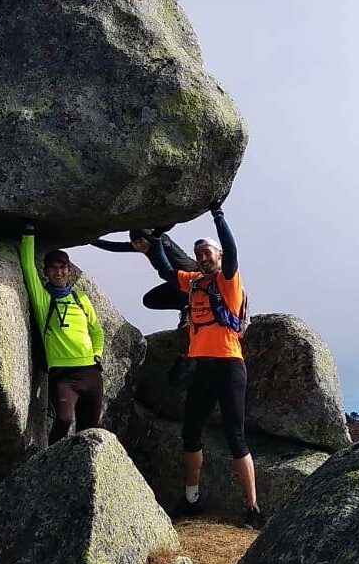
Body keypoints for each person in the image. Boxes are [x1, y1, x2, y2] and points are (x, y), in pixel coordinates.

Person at [148, 201, 262, 529]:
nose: (203, 257)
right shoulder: (195, 282)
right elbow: (168, 273)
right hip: (203, 367)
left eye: (207, 253)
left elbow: (232, 249)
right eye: (199, 254)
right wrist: (156, 242)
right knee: (190, 432)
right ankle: (192, 498)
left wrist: (218, 215)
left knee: (235, 435)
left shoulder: (228, 281)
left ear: (219, 257)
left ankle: (253, 508)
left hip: (229, 365)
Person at [20, 224, 105, 445]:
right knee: (64, 420)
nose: (59, 272)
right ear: (46, 272)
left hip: (91, 373)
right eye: (54, 268)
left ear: (69, 270)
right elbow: (28, 269)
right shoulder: (44, 300)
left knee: (88, 434)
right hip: (62, 375)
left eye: (63, 267)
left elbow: (96, 331)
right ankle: (50, 464)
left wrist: (97, 354)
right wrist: (28, 233)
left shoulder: (81, 298)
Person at [90, 226, 197, 327]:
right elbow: (115, 247)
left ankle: (189, 308)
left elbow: (167, 225)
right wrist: (89, 240)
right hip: (176, 282)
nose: (139, 246)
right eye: (135, 243)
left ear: (148, 238)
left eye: (141, 241)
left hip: (194, 277)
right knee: (150, 300)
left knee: (174, 285)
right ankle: (186, 308)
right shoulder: (144, 245)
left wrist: (157, 233)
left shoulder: (160, 240)